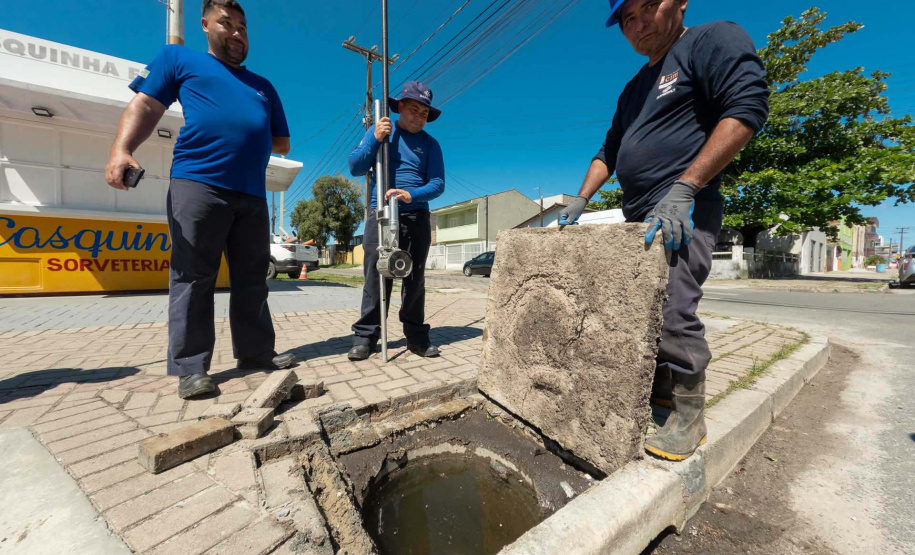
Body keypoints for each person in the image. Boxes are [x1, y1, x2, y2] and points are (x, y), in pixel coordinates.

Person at [559, 0, 769, 461]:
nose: (639, 24)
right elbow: (608, 151)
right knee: (643, 310)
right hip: (638, 218)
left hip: (683, 210)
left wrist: (686, 187)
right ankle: (660, 392)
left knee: (674, 311)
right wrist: (581, 199)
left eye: (648, 6)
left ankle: (690, 417)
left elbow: (747, 109)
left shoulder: (710, 39)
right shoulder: (634, 88)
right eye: (627, 19)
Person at [105, 0, 296, 399]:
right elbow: (145, 104)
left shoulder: (264, 86)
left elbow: (282, 141)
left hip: (251, 193)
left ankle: (256, 352)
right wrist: (122, 150)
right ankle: (191, 367)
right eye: (227, 23)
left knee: (252, 279)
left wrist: (245, 127)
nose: (237, 32)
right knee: (194, 276)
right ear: (205, 24)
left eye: (243, 26)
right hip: (198, 183)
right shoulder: (178, 59)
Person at [347, 81, 446, 361]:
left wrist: (410, 194)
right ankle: (366, 337)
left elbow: (438, 184)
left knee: (414, 279)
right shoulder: (382, 132)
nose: (419, 117)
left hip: (416, 215)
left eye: (424, 114)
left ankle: (416, 337)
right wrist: (374, 138)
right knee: (377, 275)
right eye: (414, 110)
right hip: (381, 213)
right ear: (400, 107)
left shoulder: (431, 144)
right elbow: (355, 167)